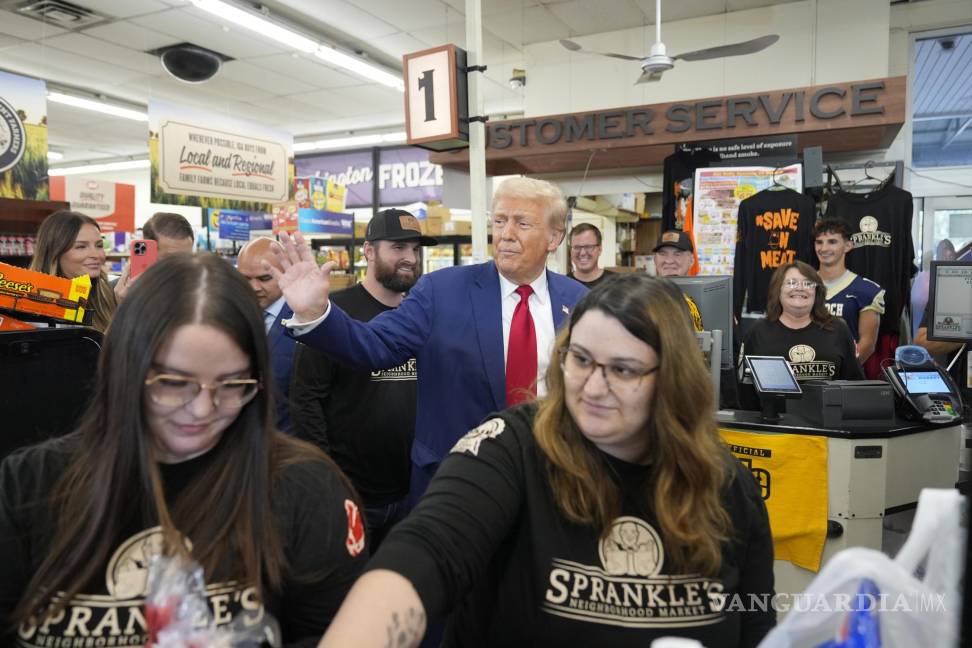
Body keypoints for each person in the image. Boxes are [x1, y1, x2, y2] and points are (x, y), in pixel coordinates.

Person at [319, 275, 776, 648]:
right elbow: (426, 553)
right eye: (579, 360)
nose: (593, 388)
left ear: (673, 379)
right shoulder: (512, 448)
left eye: (622, 370)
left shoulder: (724, 483)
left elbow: (757, 623)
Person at [0, 254, 365, 647]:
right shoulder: (26, 487)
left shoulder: (305, 489)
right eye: (174, 383)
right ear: (124, 370)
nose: (202, 410)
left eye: (232, 384)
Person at [270, 177, 588, 504]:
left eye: (522, 223)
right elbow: (373, 343)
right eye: (499, 221)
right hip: (457, 486)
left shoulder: (581, 302)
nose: (506, 234)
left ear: (554, 237)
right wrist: (317, 313)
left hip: (549, 480)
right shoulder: (441, 291)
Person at [290, 209, 437, 551]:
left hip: (413, 492)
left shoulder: (422, 316)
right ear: (368, 252)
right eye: (398, 248)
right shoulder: (333, 314)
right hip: (353, 495)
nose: (410, 259)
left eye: (415, 249)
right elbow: (305, 400)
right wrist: (328, 482)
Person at [738, 262, 864, 409]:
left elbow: (856, 384)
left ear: (817, 291)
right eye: (791, 283)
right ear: (778, 289)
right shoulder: (757, 332)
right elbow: (744, 391)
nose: (799, 288)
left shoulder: (838, 330)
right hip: (774, 427)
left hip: (827, 427)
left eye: (808, 283)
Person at [237, 237, 296, 431]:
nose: (254, 287)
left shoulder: (307, 319)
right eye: (245, 279)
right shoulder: (226, 315)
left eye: (264, 278)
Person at [29, 209, 116, 332]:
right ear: (55, 253)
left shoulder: (108, 294)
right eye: (81, 247)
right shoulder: (32, 306)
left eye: (99, 245)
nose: (96, 254)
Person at [814, 218, 885, 364]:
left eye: (832, 242)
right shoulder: (802, 285)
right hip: (806, 369)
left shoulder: (866, 290)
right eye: (819, 242)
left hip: (846, 377)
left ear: (848, 246)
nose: (824, 248)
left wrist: (844, 370)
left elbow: (867, 344)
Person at [114, 211, 196, 301]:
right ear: (149, 251)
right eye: (171, 259)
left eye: (187, 258)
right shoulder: (117, 293)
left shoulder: (199, 292)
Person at [653, 229, 703, 332]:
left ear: (692, 260)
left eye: (677, 254)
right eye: (663, 254)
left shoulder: (707, 298)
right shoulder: (643, 297)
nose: (669, 261)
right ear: (655, 259)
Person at [567, 223, 612, 288]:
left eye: (588, 247)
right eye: (577, 247)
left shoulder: (615, 283)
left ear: (600, 249)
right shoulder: (562, 285)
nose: (582, 253)